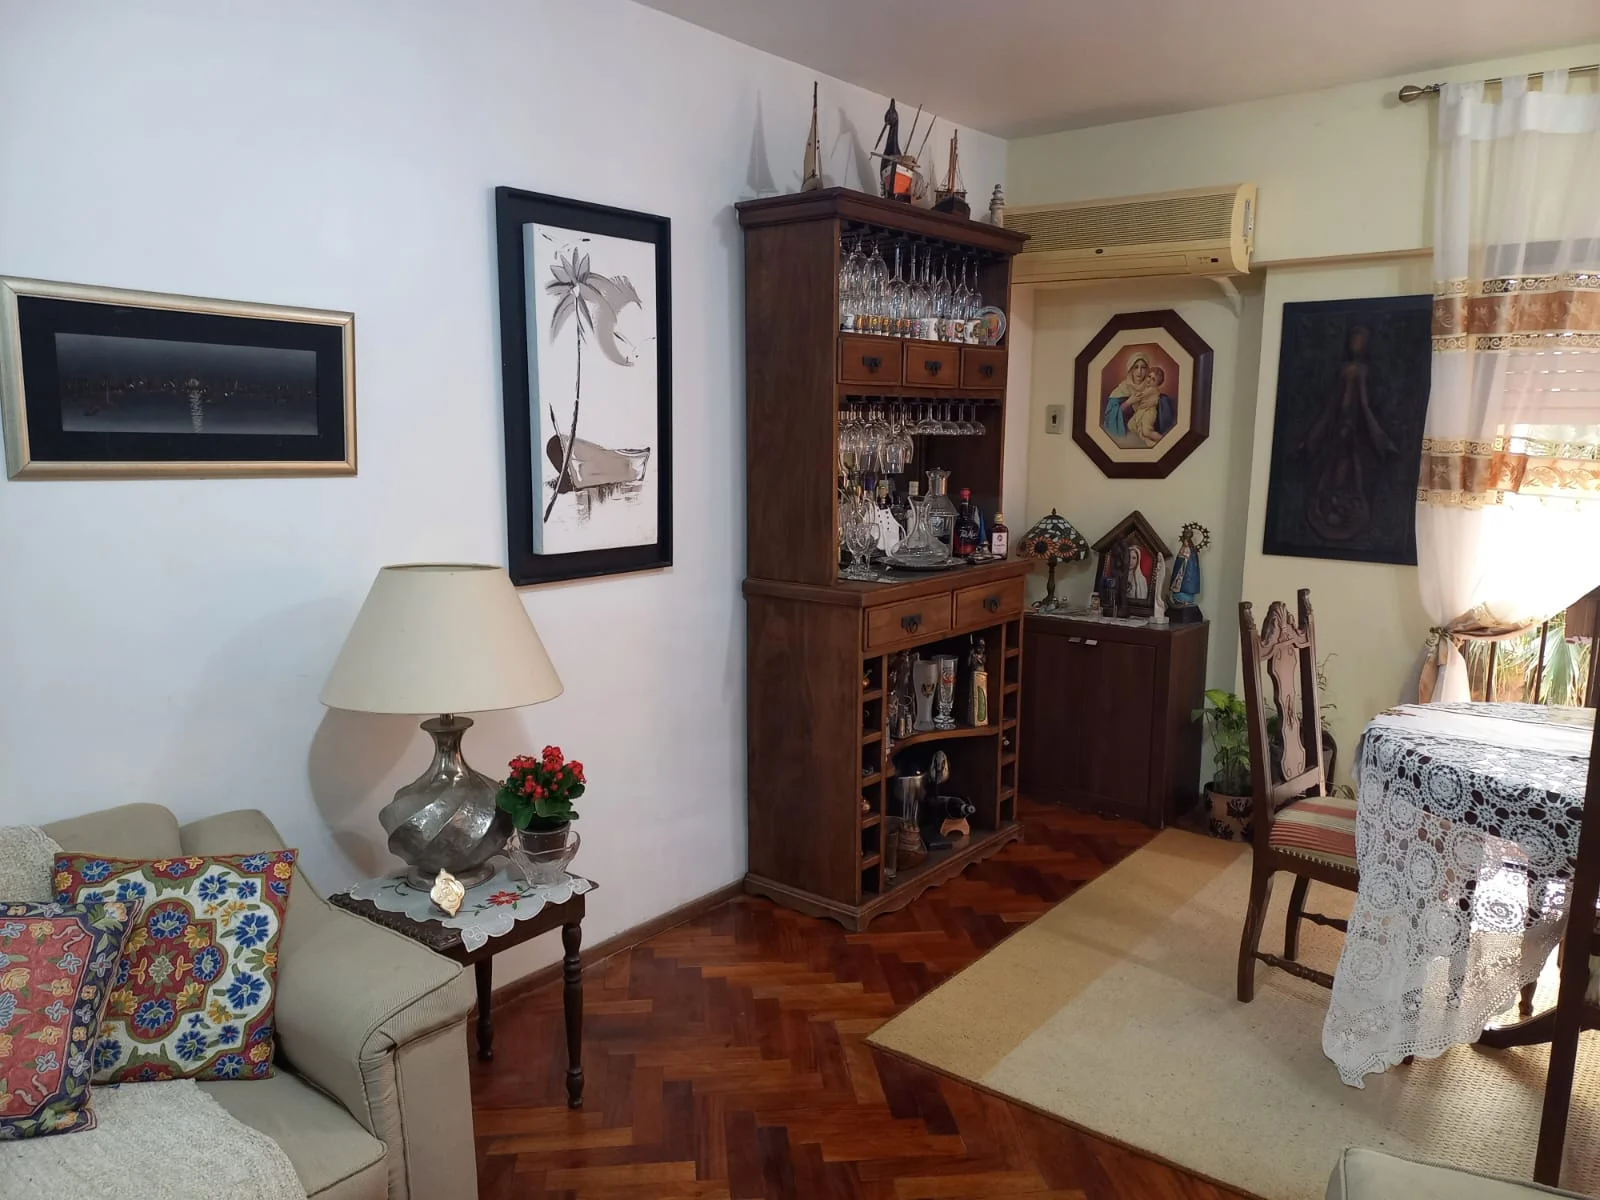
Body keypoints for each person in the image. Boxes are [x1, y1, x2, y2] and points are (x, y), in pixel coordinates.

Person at [1103, 354, 1159, 441]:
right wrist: (1128, 402)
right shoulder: (1122, 388)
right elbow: (1109, 416)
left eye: (1143, 367)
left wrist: (1155, 401)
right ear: (1131, 369)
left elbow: (1159, 399)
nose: (1139, 371)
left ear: (1147, 370)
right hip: (1127, 435)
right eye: (1136, 367)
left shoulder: (1150, 385)